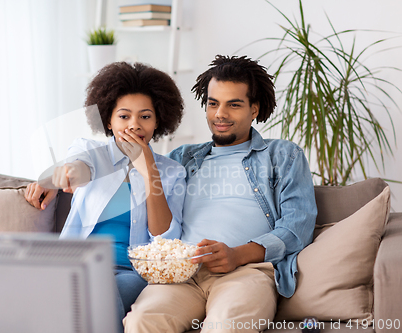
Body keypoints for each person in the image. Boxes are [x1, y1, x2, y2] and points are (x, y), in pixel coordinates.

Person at [123, 55, 317, 333]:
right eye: (213, 103)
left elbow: (297, 228)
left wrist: (237, 255)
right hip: (181, 274)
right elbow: (116, 171)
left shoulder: (283, 155)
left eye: (233, 105)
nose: (220, 114)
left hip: (245, 273)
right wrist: (54, 180)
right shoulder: (181, 158)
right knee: (142, 322)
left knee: (225, 326)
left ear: (254, 109)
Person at [24, 62, 186, 332]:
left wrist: (149, 171)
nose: (134, 125)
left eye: (145, 117)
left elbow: (165, 241)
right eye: (124, 116)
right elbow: (79, 167)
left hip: (133, 275)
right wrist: (63, 174)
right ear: (108, 119)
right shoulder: (89, 150)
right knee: (93, 288)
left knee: (98, 291)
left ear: (158, 121)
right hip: (75, 266)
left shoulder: (172, 173)